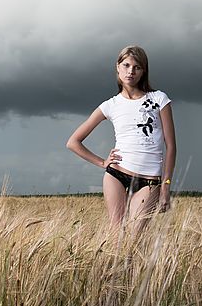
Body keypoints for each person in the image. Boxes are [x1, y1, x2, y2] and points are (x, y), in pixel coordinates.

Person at [66, 45, 176, 235]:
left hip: (149, 181)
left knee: (134, 236)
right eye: (126, 65)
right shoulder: (110, 105)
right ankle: (112, 266)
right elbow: (73, 142)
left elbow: (171, 146)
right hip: (116, 175)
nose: (130, 71)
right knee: (116, 237)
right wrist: (102, 162)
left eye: (137, 67)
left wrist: (166, 187)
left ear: (143, 71)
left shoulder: (159, 99)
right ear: (117, 67)